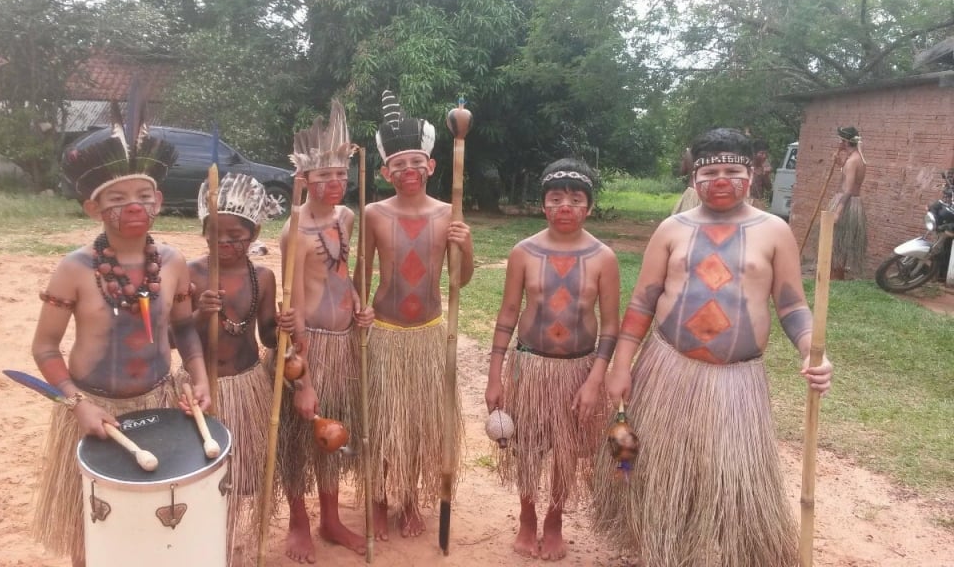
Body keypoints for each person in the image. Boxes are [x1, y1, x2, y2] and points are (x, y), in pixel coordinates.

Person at [593, 128, 833, 567]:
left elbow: (793, 304)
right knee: (658, 476)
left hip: (737, 381)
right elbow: (644, 300)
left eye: (733, 170)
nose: (721, 180)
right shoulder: (673, 229)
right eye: (711, 172)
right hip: (668, 371)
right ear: (694, 177)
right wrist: (622, 364)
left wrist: (810, 350)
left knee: (731, 484)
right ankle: (659, 550)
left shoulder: (773, 231)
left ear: (753, 173)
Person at [30, 97, 211, 567]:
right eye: (117, 198)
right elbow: (45, 347)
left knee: (151, 524)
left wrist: (198, 375)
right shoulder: (74, 269)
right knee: (91, 527)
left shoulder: (172, 263)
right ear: (93, 207)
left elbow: (185, 327)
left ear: (158, 201)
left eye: (144, 196)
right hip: (95, 408)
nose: (135, 206)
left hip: (158, 402)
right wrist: (77, 403)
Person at [484, 158, 620, 560]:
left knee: (564, 450)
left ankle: (554, 520)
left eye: (576, 199)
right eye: (556, 198)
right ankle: (527, 516)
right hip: (530, 366)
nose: (565, 206)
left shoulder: (603, 257)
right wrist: (496, 377)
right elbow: (508, 314)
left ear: (589, 207)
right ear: (543, 205)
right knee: (527, 445)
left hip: (577, 370)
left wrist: (595, 379)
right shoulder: (523, 252)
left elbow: (610, 325)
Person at [357, 89, 474, 540]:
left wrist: (465, 246)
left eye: (416, 162)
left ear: (432, 166)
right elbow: (360, 275)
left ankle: (409, 499)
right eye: (398, 164)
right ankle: (380, 496)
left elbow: (459, 281)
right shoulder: (373, 213)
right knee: (384, 421)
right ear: (385, 172)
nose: (408, 170)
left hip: (427, 333)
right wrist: (360, 310)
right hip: (385, 332)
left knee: (420, 425)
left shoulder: (449, 214)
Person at [275, 99, 374, 563]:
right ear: (305, 181)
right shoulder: (292, 230)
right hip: (309, 343)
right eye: (324, 178)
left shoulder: (348, 218)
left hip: (344, 342)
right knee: (299, 436)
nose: (336, 184)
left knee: (335, 434)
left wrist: (360, 304)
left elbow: (346, 272)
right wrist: (303, 374)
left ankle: (331, 520)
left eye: (341, 176)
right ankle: (299, 522)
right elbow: (292, 303)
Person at [187, 171, 282, 565]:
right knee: (199, 475)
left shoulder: (262, 278)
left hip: (246, 385)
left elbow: (268, 336)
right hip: (200, 389)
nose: (224, 244)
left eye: (235, 236)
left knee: (237, 477)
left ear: (255, 232)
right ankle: (200, 543)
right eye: (215, 235)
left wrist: (285, 328)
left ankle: (225, 541)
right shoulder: (191, 273)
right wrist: (197, 313)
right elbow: (178, 333)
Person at [830, 126, 868, 280]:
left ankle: (836, 276)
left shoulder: (853, 161)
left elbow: (848, 189)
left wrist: (838, 211)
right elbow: (846, 173)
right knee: (839, 241)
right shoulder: (857, 158)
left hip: (846, 204)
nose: (839, 142)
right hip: (853, 203)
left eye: (841, 140)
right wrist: (838, 159)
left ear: (845, 141)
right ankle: (835, 274)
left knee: (839, 241)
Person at [670, 147, 699, 215]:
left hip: (692, 191)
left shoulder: (689, 152)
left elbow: (682, 171)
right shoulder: (715, 153)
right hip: (709, 193)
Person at [751, 139, 773, 208]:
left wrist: (766, 175)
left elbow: (768, 188)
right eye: (761, 153)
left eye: (766, 154)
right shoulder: (745, 166)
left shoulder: (763, 168)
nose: (764, 156)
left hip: (758, 203)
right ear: (754, 153)